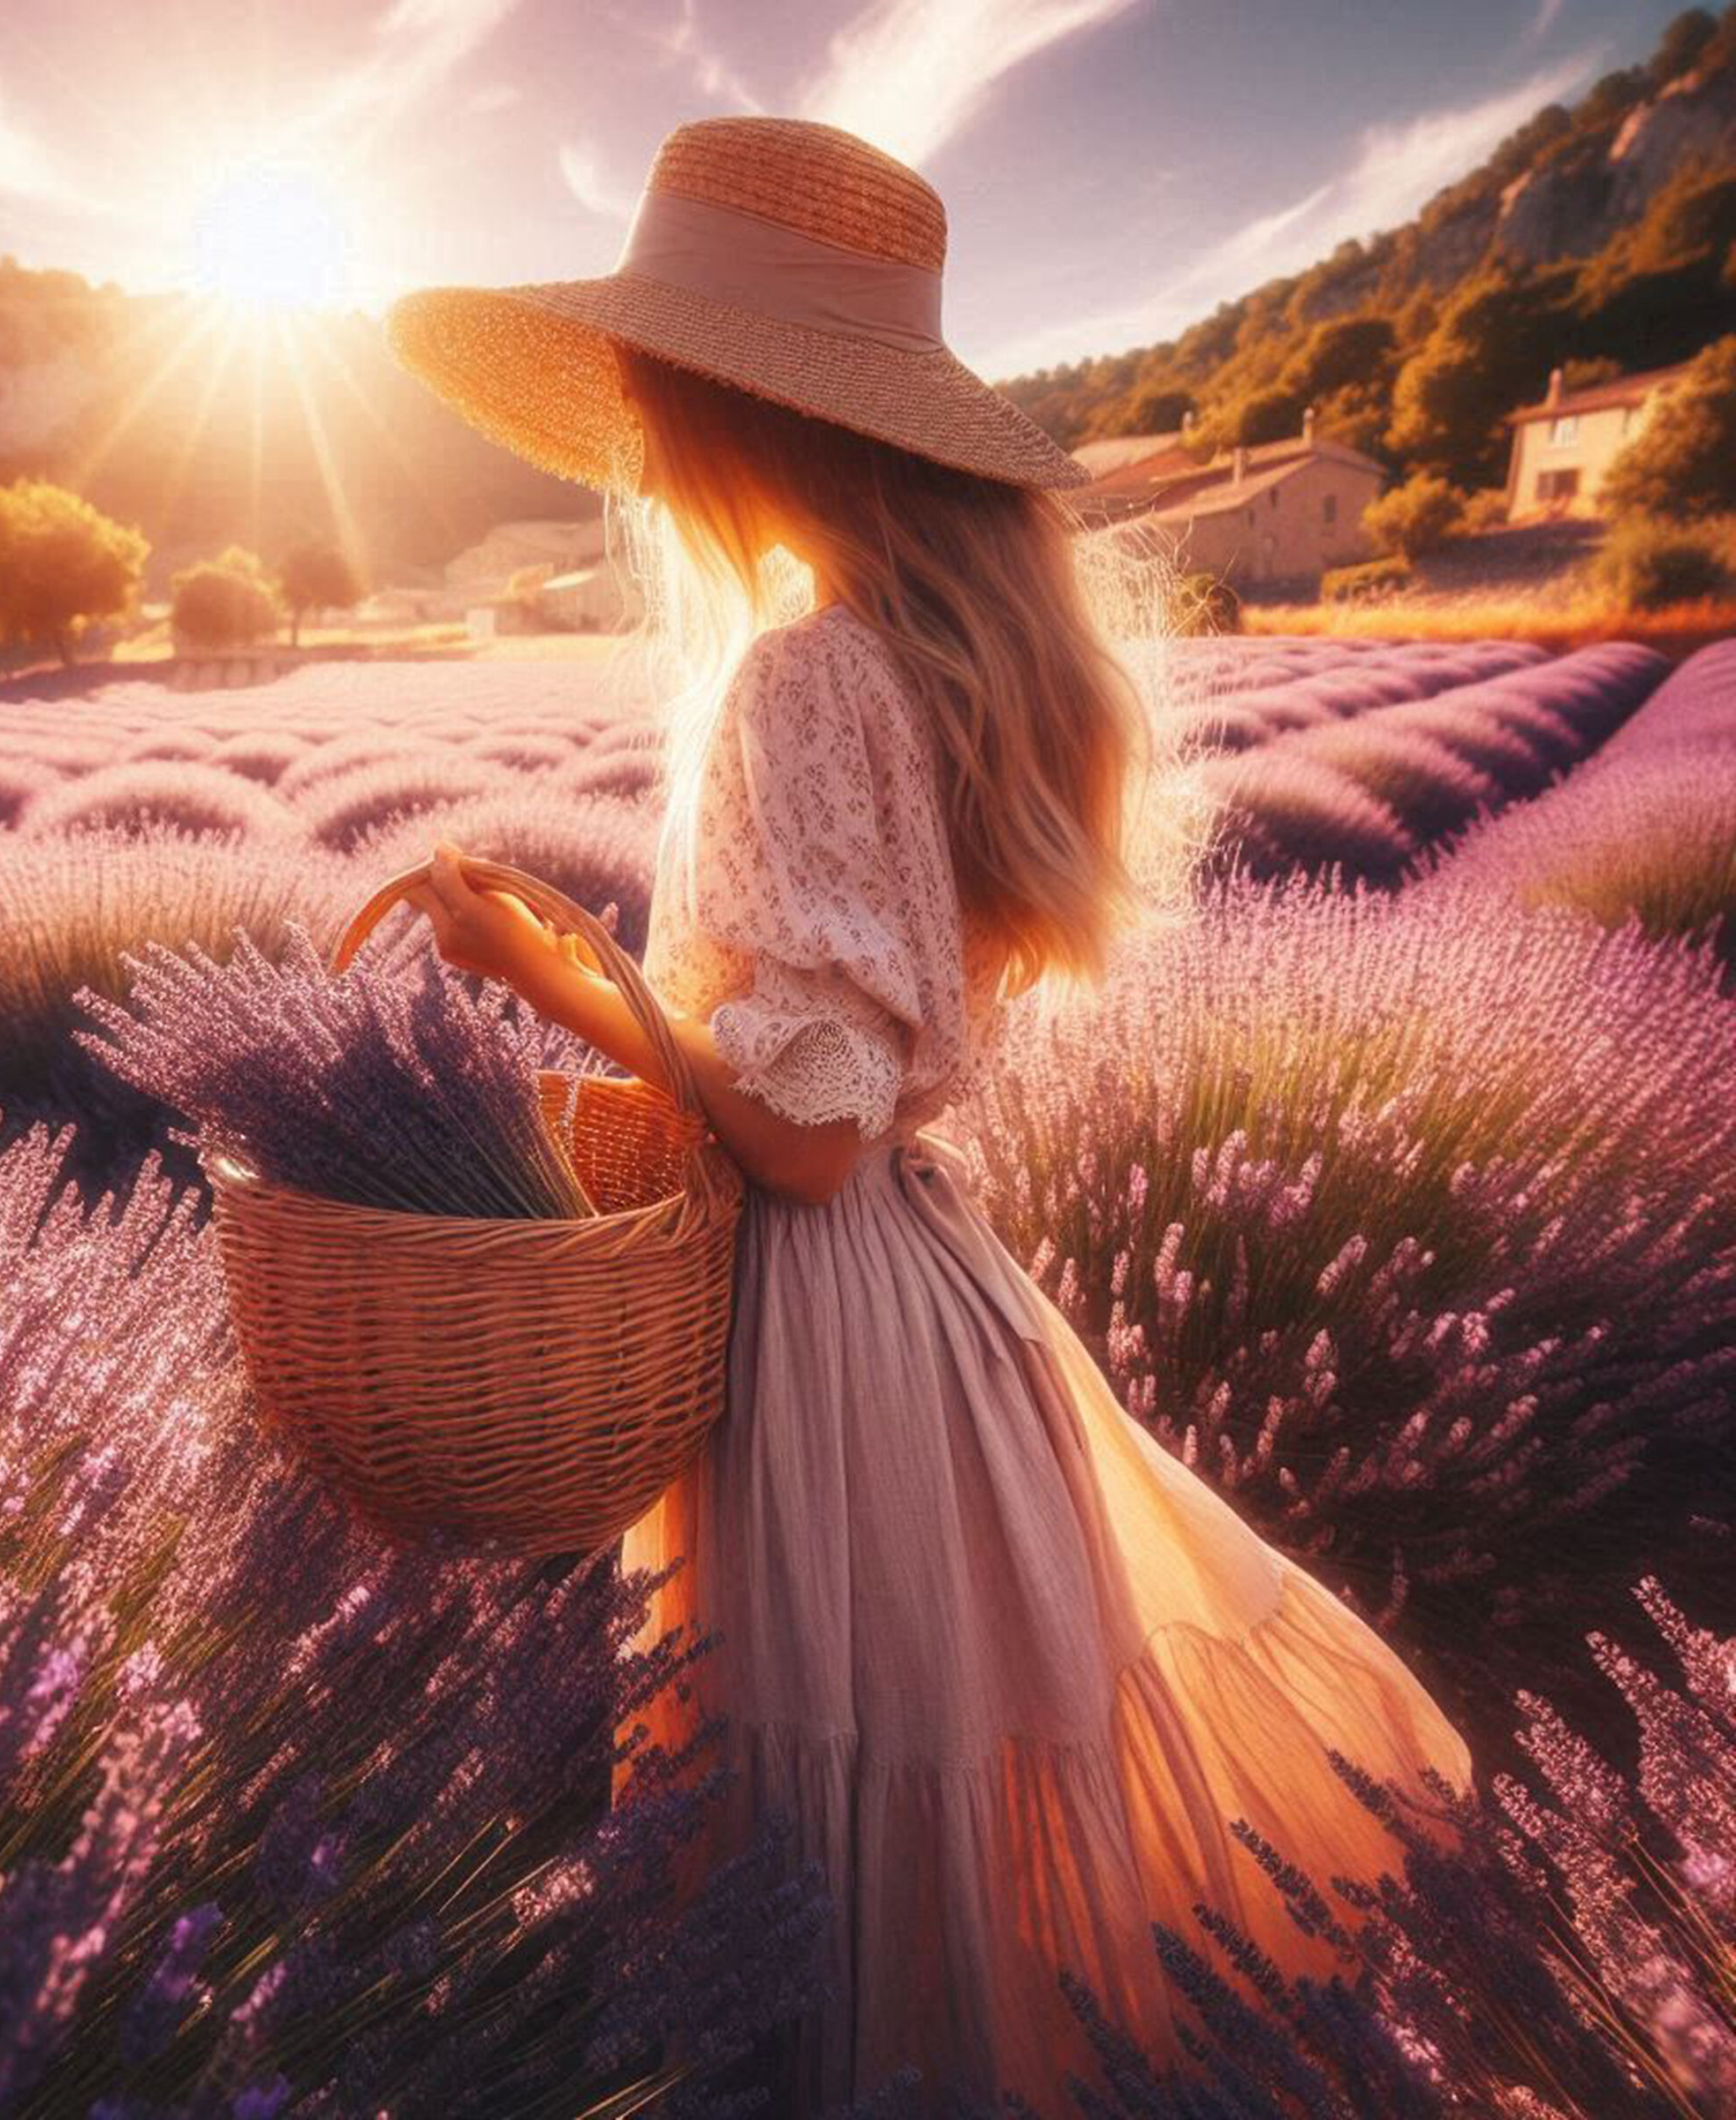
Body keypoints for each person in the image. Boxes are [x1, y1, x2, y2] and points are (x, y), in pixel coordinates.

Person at [386, 115, 1474, 2116]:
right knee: (949, 1840)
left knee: (819, 1861)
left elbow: (799, 1134)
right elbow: (868, 1084)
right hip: (935, 1299)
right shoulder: (954, 654)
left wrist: (562, 982)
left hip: (816, 1328)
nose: (625, 401)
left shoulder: (806, 671)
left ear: (722, 399)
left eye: (646, 362)